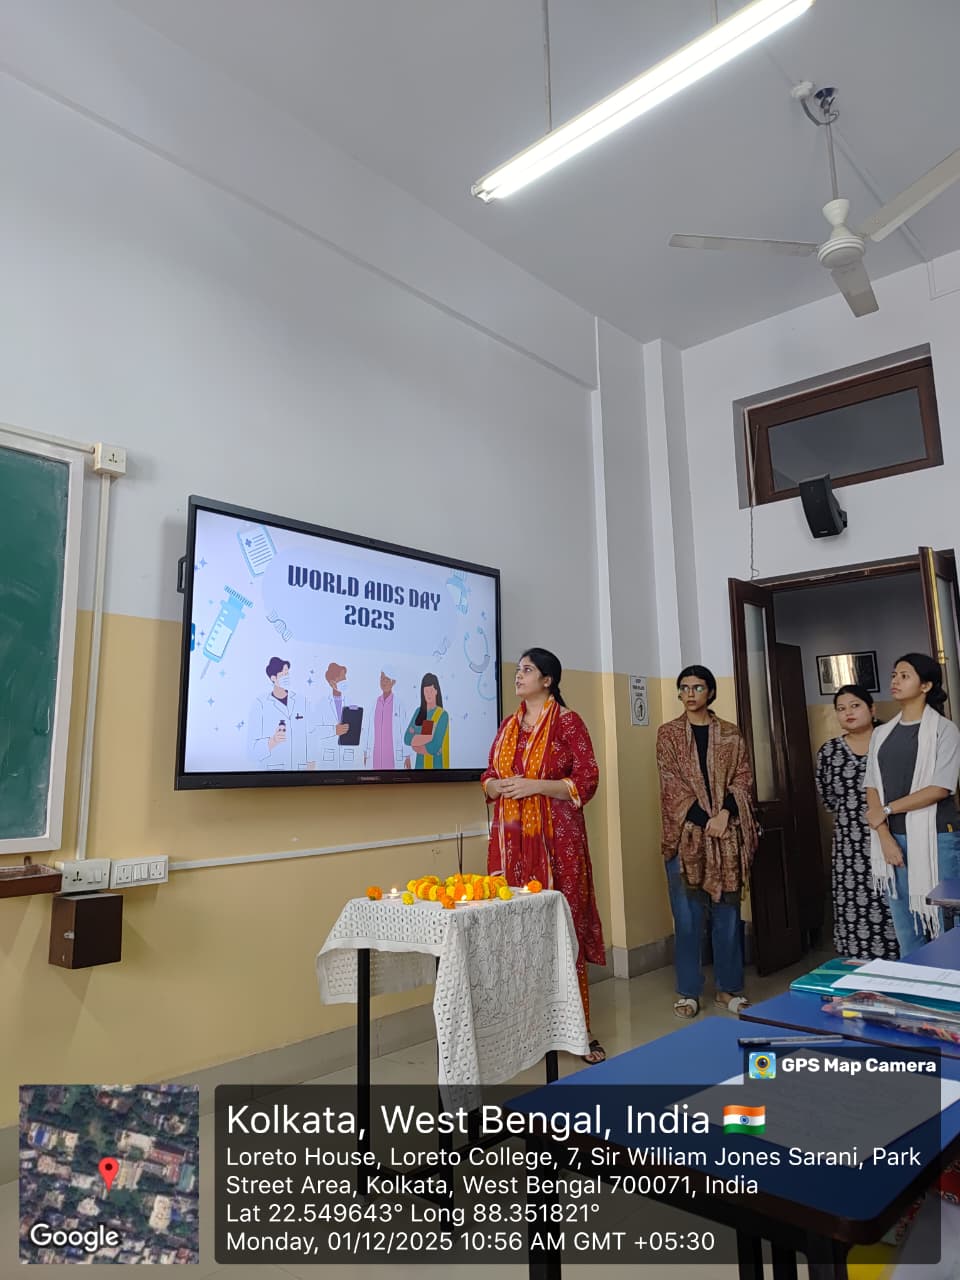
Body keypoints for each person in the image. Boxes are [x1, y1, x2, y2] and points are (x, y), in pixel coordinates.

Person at [481, 648, 606, 1064]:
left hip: (557, 844)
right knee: (516, 930)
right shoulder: (508, 725)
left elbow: (587, 780)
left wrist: (536, 786)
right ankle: (527, 1027)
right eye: (518, 670)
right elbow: (489, 774)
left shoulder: (568, 722)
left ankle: (578, 1029)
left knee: (561, 928)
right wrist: (496, 787)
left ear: (548, 679)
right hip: (511, 843)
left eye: (527, 670)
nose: (518, 676)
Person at [656, 665, 758, 1018]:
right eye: (684, 687)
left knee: (727, 915)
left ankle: (728, 989)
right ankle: (688, 992)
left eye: (697, 687)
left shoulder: (730, 734)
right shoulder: (668, 735)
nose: (690, 694)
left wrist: (724, 815)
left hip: (726, 836)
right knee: (687, 919)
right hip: (685, 837)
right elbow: (672, 786)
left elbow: (743, 779)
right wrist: (705, 820)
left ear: (710, 692)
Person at [865, 653, 960, 956]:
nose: (895, 680)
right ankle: (914, 978)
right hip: (892, 837)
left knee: (946, 920)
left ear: (926, 685)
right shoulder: (881, 734)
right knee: (906, 924)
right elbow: (872, 786)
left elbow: (940, 787)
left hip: (937, 835)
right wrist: (884, 836)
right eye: (894, 674)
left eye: (904, 675)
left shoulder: (944, 730)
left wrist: (888, 810)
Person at [815, 685, 899, 960]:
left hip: (894, 835)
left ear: (872, 709)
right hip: (849, 844)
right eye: (841, 709)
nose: (848, 713)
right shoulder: (829, 752)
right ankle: (860, 970)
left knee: (894, 900)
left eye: (855, 706)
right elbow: (828, 798)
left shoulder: (891, 742)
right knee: (854, 904)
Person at [248, 657, 320, 770]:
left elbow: (312, 735)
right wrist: (273, 741)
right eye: (283, 674)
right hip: (273, 772)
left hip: (301, 771)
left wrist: (312, 764)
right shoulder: (260, 704)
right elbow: (251, 750)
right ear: (273, 678)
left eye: (288, 673)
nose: (287, 677)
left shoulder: (301, 701)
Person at [404, 673, 449, 769]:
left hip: (437, 770)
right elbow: (407, 738)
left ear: (436, 691)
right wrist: (429, 737)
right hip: (419, 769)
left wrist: (415, 744)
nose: (428, 694)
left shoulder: (442, 715)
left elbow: (434, 747)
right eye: (426, 691)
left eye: (431, 691)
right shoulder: (419, 712)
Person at [363, 670, 406, 769]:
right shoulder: (374, 703)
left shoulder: (399, 704)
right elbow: (368, 729)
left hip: (393, 755)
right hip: (375, 755)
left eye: (387, 679)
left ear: (393, 682)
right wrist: (365, 751)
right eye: (382, 679)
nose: (384, 682)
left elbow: (404, 730)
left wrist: (407, 755)